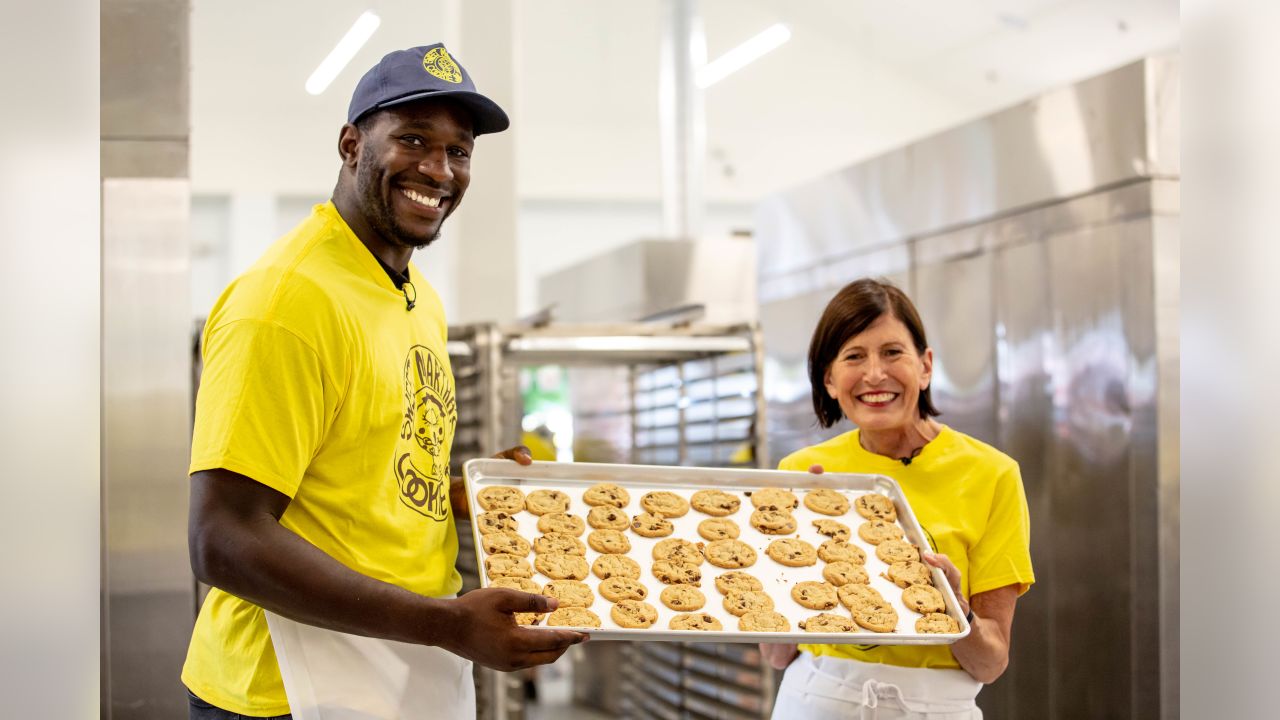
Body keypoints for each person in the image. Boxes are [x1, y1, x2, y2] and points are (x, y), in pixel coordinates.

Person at [182, 44, 587, 719]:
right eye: (414, 139)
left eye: (460, 151)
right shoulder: (286, 301)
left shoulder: (414, 295)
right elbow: (223, 539)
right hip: (286, 687)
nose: (439, 168)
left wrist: (462, 495)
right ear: (351, 144)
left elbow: (355, 472)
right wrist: (447, 624)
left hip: (403, 664)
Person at [760, 278, 1035, 720]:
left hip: (935, 709)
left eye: (892, 353)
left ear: (925, 366)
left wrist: (951, 606)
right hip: (818, 702)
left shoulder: (991, 474)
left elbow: (991, 662)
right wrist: (790, 572)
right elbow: (776, 655)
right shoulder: (800, 475)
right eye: (854, 356)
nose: (874, 374)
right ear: (830, 380)